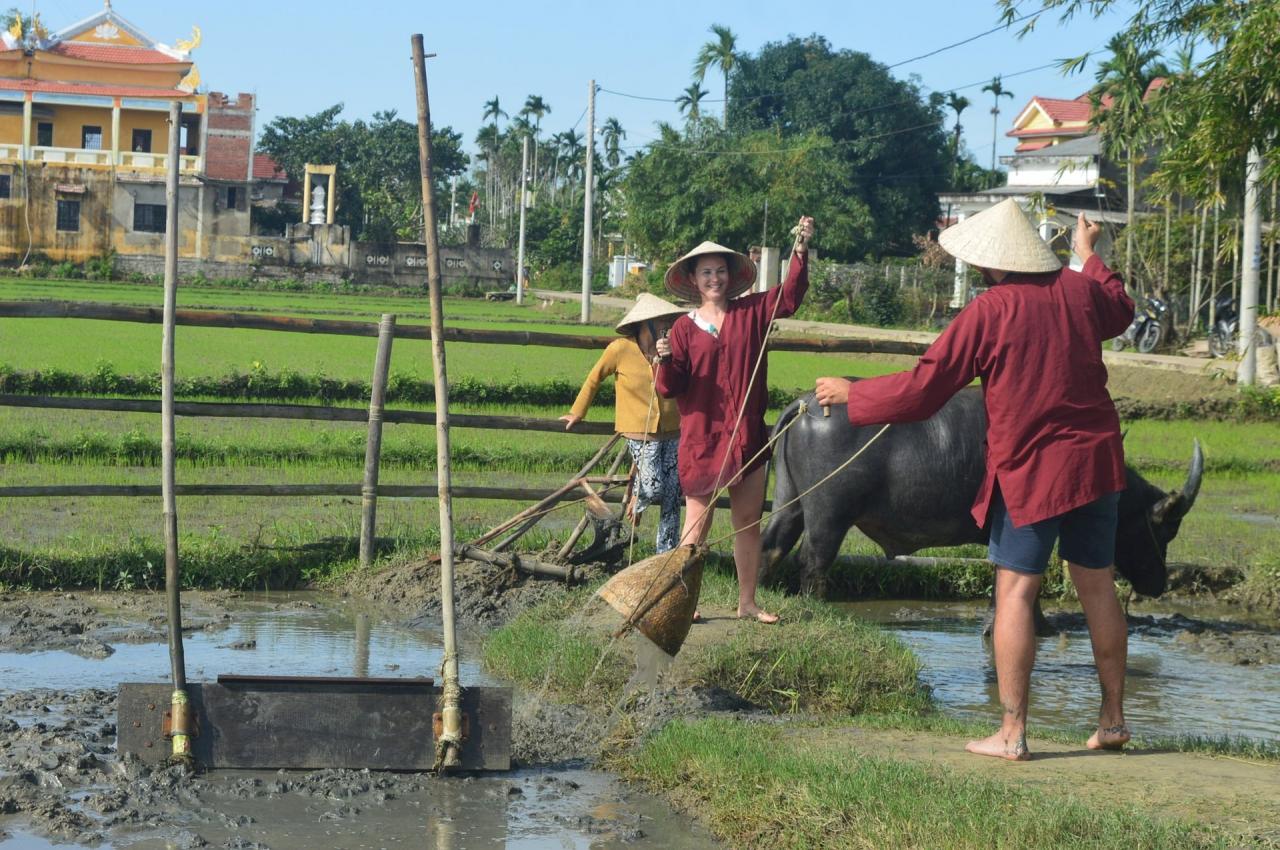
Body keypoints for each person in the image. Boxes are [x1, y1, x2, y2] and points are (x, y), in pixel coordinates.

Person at [814, 201, 1133, 760]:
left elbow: (924, 389)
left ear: (988, 264)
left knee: (1015, 591)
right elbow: (1120, 308)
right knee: (1098, 587)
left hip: (1033, 468)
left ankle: (1011, 733)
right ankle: (1112, 720)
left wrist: (853, 393)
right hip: (1097, 464)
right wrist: (1090, 256)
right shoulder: (1081, 291)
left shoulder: (993, 310)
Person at [656, 216, 815, 624]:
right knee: (697, 526)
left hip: (747, 436)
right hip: (702, 439)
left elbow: (791, 296)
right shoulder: (681, 330)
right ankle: (685, 604)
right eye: (706, 272)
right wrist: (664, 360)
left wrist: (799, 250)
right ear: (693, 279)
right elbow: (668, 387)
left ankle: (747, 603)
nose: (715, 278)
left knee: (747, 521)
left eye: (720, 271)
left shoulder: (752, 312)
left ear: (731, 275)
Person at [561, 294, 686, 552]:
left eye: (668, 320)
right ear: (645, 323)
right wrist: (578, 412)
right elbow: (594, 378)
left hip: (674, 430)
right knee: (653, 489)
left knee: (673, 495)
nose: (667, 324)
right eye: (661, 319)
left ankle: (666, 554)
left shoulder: (674, 349)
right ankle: (637, 490)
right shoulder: (620, 349)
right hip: (640, 433)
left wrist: (671, 358)